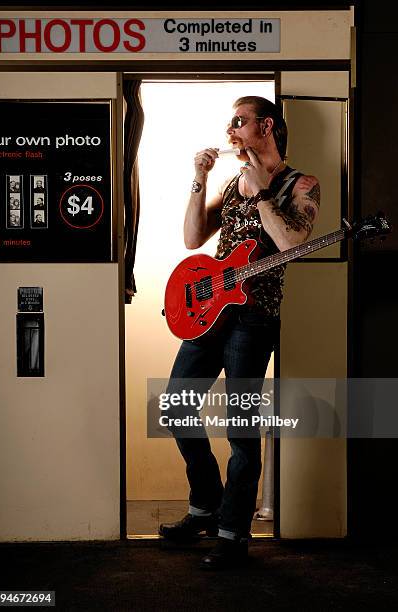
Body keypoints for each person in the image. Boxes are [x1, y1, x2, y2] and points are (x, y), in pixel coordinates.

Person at [158, 96, 320, 570]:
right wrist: (200, 179)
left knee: (241, 432)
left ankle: (232, 534)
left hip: (254, 320)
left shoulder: (301, 183)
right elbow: (192, 239)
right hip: (209, 314)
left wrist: (262, 191)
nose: (230, 131)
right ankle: (207, 507)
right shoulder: (231, 182)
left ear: (265, 126)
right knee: (176, 406)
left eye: (238, 121)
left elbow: (293, 243)